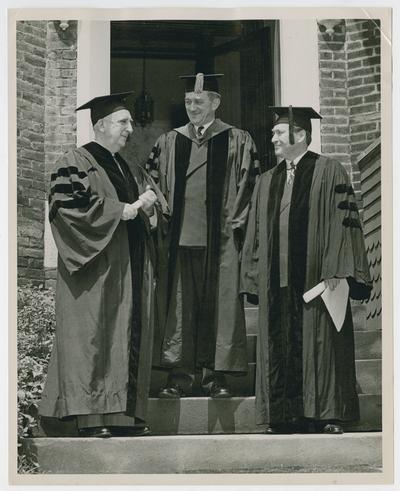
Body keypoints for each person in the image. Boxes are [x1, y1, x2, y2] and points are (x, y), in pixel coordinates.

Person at [39, 92, 168, 438]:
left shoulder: (129, 167)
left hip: (130, 270)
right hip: (96, 272)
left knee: (126, 337)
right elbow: (67, 210)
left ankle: (126, 417)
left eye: (129, 122)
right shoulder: (75, 162)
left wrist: (150, 210)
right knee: (96, 338)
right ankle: (93, 418)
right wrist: (120, 210)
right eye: (123, 122)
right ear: (100, 125)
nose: (130, 129)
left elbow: (150, 211)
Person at [240, 106, 372, 434]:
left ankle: (327, 414)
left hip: (317, 278)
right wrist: (253, 275)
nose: (272, 137)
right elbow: (254, 234)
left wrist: (337, 270)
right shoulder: (267, 180)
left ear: (301, 136)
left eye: (278, 133)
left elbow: (344, 223)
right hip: (277, 279)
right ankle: (282, 415)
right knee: (279, 344)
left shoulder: (330, 171)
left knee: (322, 345)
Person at [147, 73, 260, 399]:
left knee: (219, 308)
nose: (192, 108)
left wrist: (236, 225)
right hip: (179, 240)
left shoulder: (238, 139)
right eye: (188, 102)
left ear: (215, 102)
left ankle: (216, 379)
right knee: (179, 311)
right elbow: (154, 185)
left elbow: (248, 186)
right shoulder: (168, 141)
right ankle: (178, 377)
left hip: (221, 241)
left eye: (199, 102)